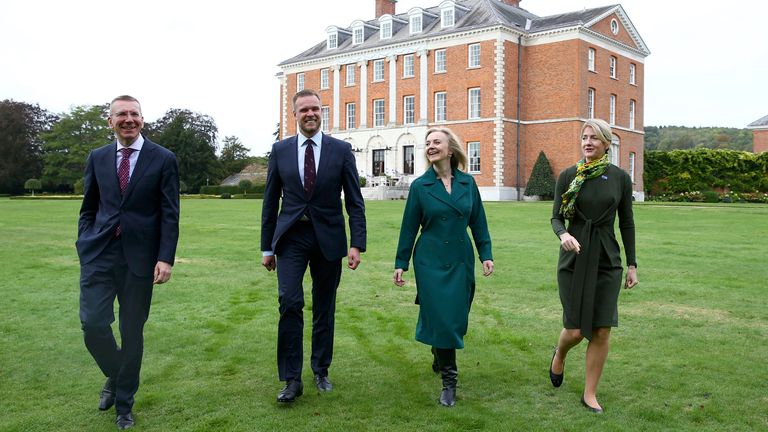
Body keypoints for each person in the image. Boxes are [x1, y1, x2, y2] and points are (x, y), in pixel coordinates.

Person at [76, 95, 179, 429]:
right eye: (122, 114)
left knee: (132, 331)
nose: (129, 119)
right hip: (100, 254)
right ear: (110, 121)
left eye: (134, 114)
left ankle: (124, 406)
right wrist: (84, 242)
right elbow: (88, 207)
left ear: (142, 120)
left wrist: (165, 258)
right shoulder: (97, 157)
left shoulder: (163, 159)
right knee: (93, 324)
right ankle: (116, 374)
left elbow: (169, 213)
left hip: (141, 259)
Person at [261, 89, 367, 403]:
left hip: (329, 239)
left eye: (316, 109)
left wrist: (357, 244)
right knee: (289, 301)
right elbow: (270, 202)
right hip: (292, 238)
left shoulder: (341, 150)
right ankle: (292, 379)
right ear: (295, 114)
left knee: (324, 307)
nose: (310, 114)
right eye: (304, 109)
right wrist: (267, 248)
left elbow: (355, 202)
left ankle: (321, 368)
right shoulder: (280, 150)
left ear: (322, 113)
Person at [393, 127, 493, 407]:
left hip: (461, 259)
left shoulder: (467, 183)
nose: (430, 146)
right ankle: (449, 382)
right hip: (430, 261)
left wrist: (486, 253)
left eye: (436, 142)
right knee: (443, 316)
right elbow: (409, 227)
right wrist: (401, 263)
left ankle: (440, 353)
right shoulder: (420, 186)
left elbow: (479, 221)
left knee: (456, 317)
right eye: (427, 143)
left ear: (450, 150)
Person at [548, 118, 638, 413]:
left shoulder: (620, 178)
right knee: (575, 331)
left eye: (594, 138)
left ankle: (590, 394)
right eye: (584, 137)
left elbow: (626, 223)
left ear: (606, 144)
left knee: (601, 329)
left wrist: (632, 264)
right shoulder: (568, 175)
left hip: (607, 260)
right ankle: (560, 353)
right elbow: (556, 217)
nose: (588, 142)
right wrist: (563, 235)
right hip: (573, 257)